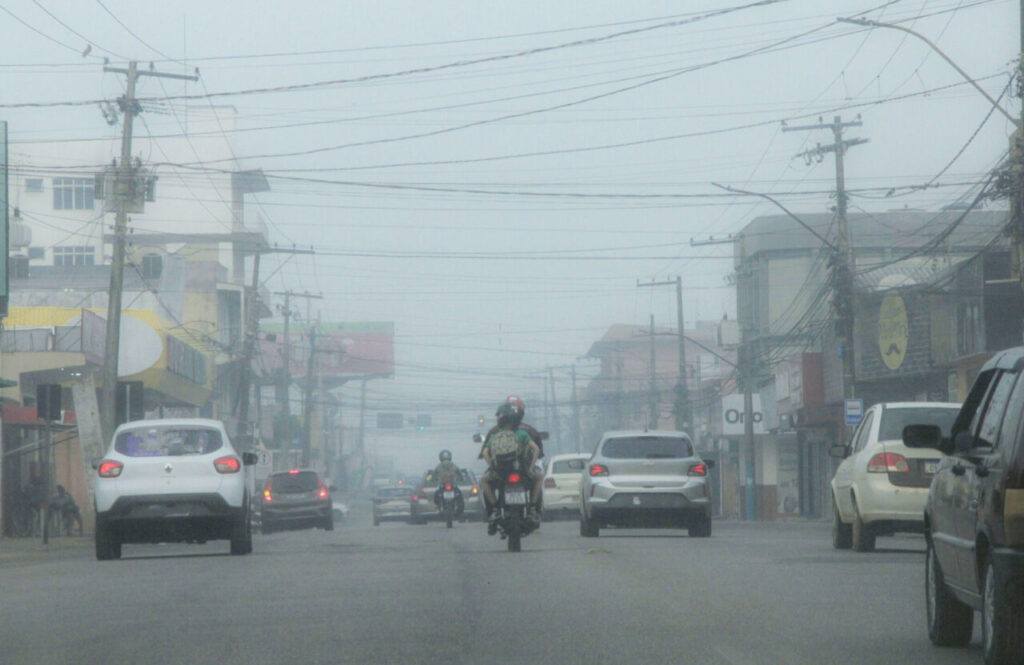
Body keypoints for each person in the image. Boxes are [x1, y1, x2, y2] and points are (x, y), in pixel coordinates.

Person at [480, 402, 542, 534]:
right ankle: (532, 508)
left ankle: (495, 509)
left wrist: (492, 466)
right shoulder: (522, 433)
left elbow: (485, 453)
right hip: (523, 472)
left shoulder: (494, 435)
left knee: (484, 480)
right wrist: (531, 467)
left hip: (500, 474)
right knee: (539, 478)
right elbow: (536, 449)